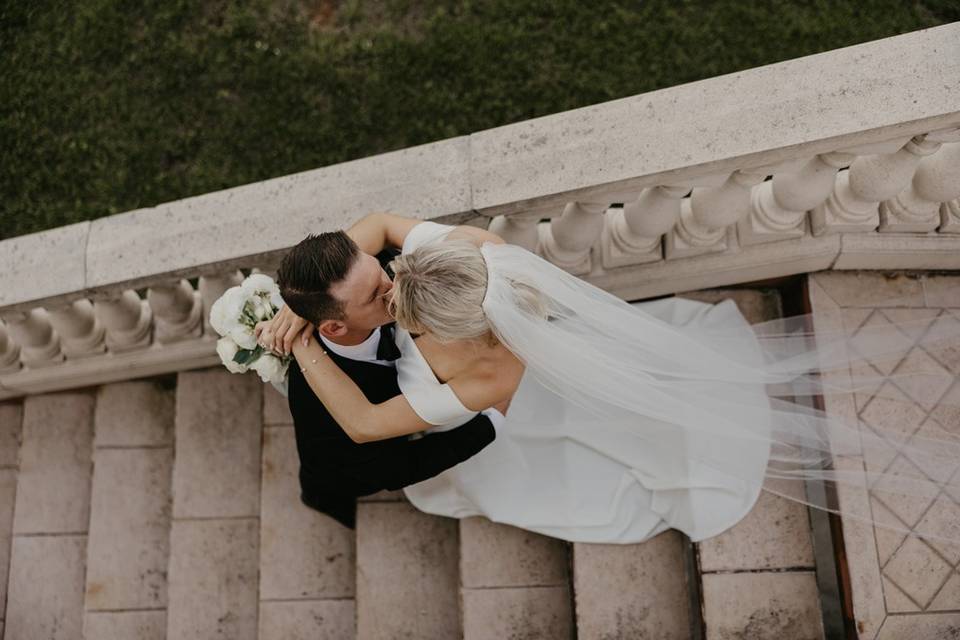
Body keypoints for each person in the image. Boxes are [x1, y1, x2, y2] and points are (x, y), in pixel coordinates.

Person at [272, 214, 960, 544]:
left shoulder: (481, 372)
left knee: (566, 446)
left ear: (447, 331)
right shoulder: (460, 256)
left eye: (398, 307)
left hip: (514, 400)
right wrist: (297, 307)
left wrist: (301, 342)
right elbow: (388, 226)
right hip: (551, 352)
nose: (391, 294)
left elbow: (364, 426)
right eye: (384, 290)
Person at [257, 213, 506, 529]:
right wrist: (491, 424)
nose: (395, 286)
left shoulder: (396, 274)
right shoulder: (318, 403)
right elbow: (395, 470)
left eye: (379, 272)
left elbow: (379, 225)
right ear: (334, 326)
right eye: (375, 294)